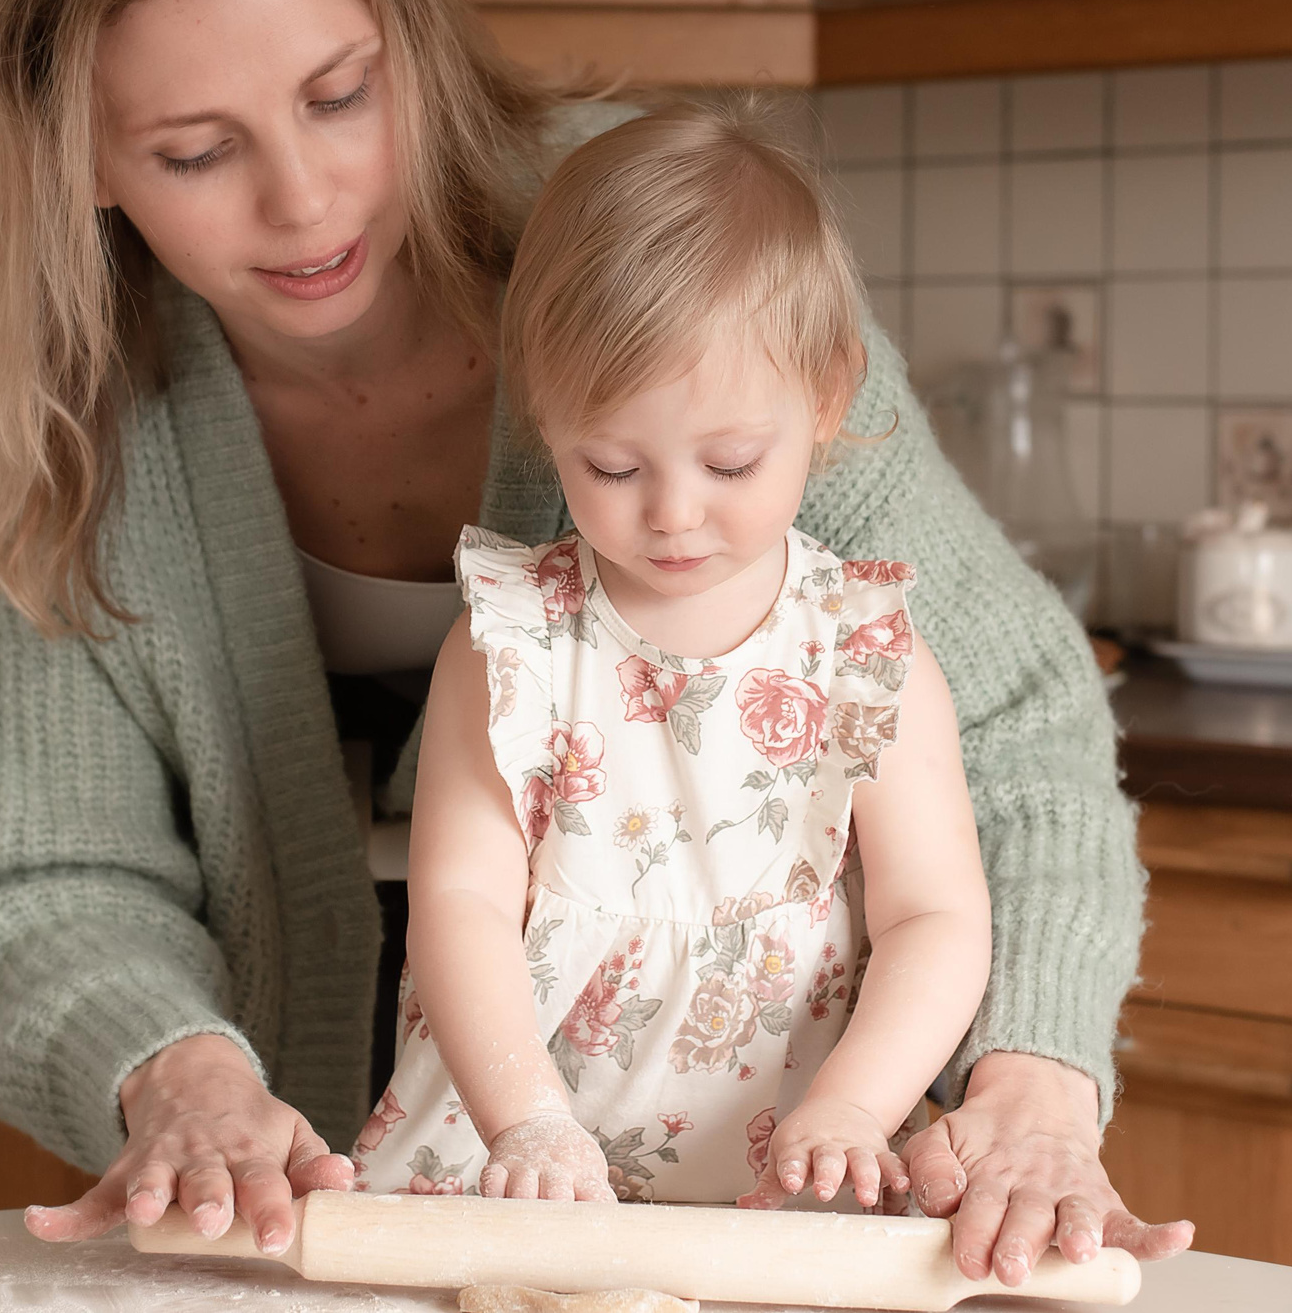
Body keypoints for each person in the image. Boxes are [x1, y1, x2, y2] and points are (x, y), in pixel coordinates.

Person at [0, 0, 1189, 1290]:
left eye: (340, 94)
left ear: (413, 49)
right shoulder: (53, 428)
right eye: (195, 152)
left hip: (761, 1172)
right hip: (304, 1208)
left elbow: (1020, 721)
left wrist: (1031, 1085)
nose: (304, 201)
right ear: (78, 161)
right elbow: (47, 874)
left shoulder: (657, 259)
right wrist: (177, 1073)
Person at [353, 99, 992, 1210]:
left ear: (828, 396)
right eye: (611, 466)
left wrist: (854, 1106)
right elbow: (455, 900)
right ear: (545, 418)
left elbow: (933, 917)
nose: (674, 514)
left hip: (783, 1169)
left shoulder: (863, 652)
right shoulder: (511, 643)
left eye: (732, 462)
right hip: (514, 1164)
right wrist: (528, 1120)